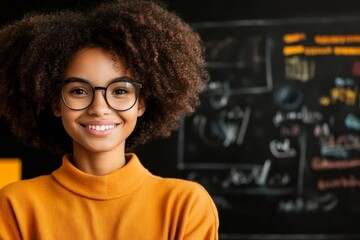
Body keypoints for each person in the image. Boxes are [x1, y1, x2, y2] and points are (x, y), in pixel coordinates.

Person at [0, 0, 219, 239]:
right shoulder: (15, 204)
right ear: (56, 103)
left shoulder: (185, 206)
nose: (99, 108)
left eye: (120, 91)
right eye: (79, 91)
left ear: (141, 103)